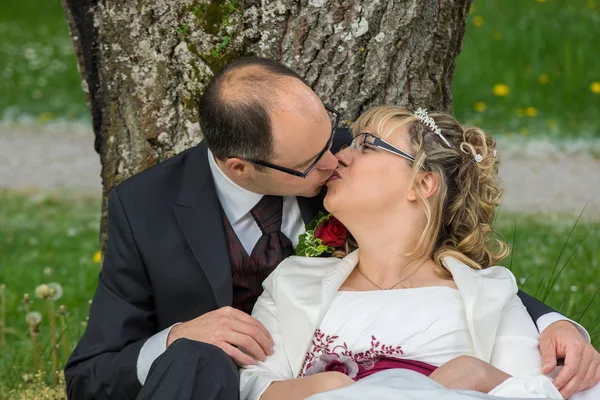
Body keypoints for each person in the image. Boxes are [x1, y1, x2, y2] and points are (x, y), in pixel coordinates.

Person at [64, 58, 598, 400]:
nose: (337, 158)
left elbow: (443, 267)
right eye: (313, 161)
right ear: (241, 168)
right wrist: (178, 337)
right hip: (215, 381)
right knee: (195, 359)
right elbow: (89, 375)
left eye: (339, 139)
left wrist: (554, 320)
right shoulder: (146, 208)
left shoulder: (341, 161)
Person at [239, 106, 600, 400]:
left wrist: (477, 375)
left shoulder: (486, 293)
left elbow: (535, 391)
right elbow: (250, 385)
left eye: (366, 145)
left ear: (422, 183)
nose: (339, 157)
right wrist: (328, 387)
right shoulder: (292, 281)